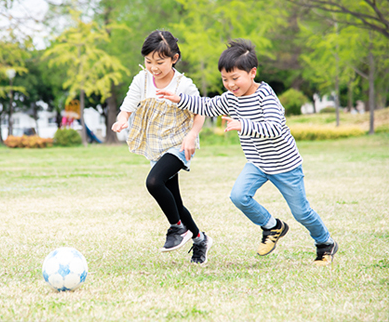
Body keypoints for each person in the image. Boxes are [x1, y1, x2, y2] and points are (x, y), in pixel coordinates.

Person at [156, 39, 338, 266]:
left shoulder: (266, 96)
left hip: (285, 166)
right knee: (239, 196)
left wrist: (243, 125)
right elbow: (207, 105)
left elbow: (275, 127)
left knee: (301, 212)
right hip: (257, 164)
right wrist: (180, 99)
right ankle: (273, 226)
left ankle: (325, 243)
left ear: (252, 73)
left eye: (235, 78)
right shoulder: (231, 99)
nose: (230, 85)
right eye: (225, 79)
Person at [112, 30, 213, 264]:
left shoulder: (184, 85)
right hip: (156, 145)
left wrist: (192, 135)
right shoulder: (142, 79)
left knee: (154, 182)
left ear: (174, 58)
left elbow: (199, 113)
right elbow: (128, 105)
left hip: (179, 143)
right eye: (149, 61)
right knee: (175, 202)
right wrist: (122, 119)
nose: (153, 67)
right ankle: (199, 239)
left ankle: (177, 228)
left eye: (160, 62)